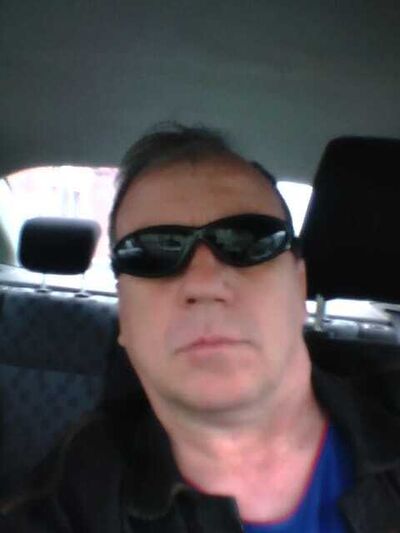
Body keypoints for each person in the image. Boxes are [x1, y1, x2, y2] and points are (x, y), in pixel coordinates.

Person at [1, 124, 399, 532]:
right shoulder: (68, 503)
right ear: (125, 316)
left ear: (299, 287)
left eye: (248, 241)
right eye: (152, 253)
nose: (204, 283)